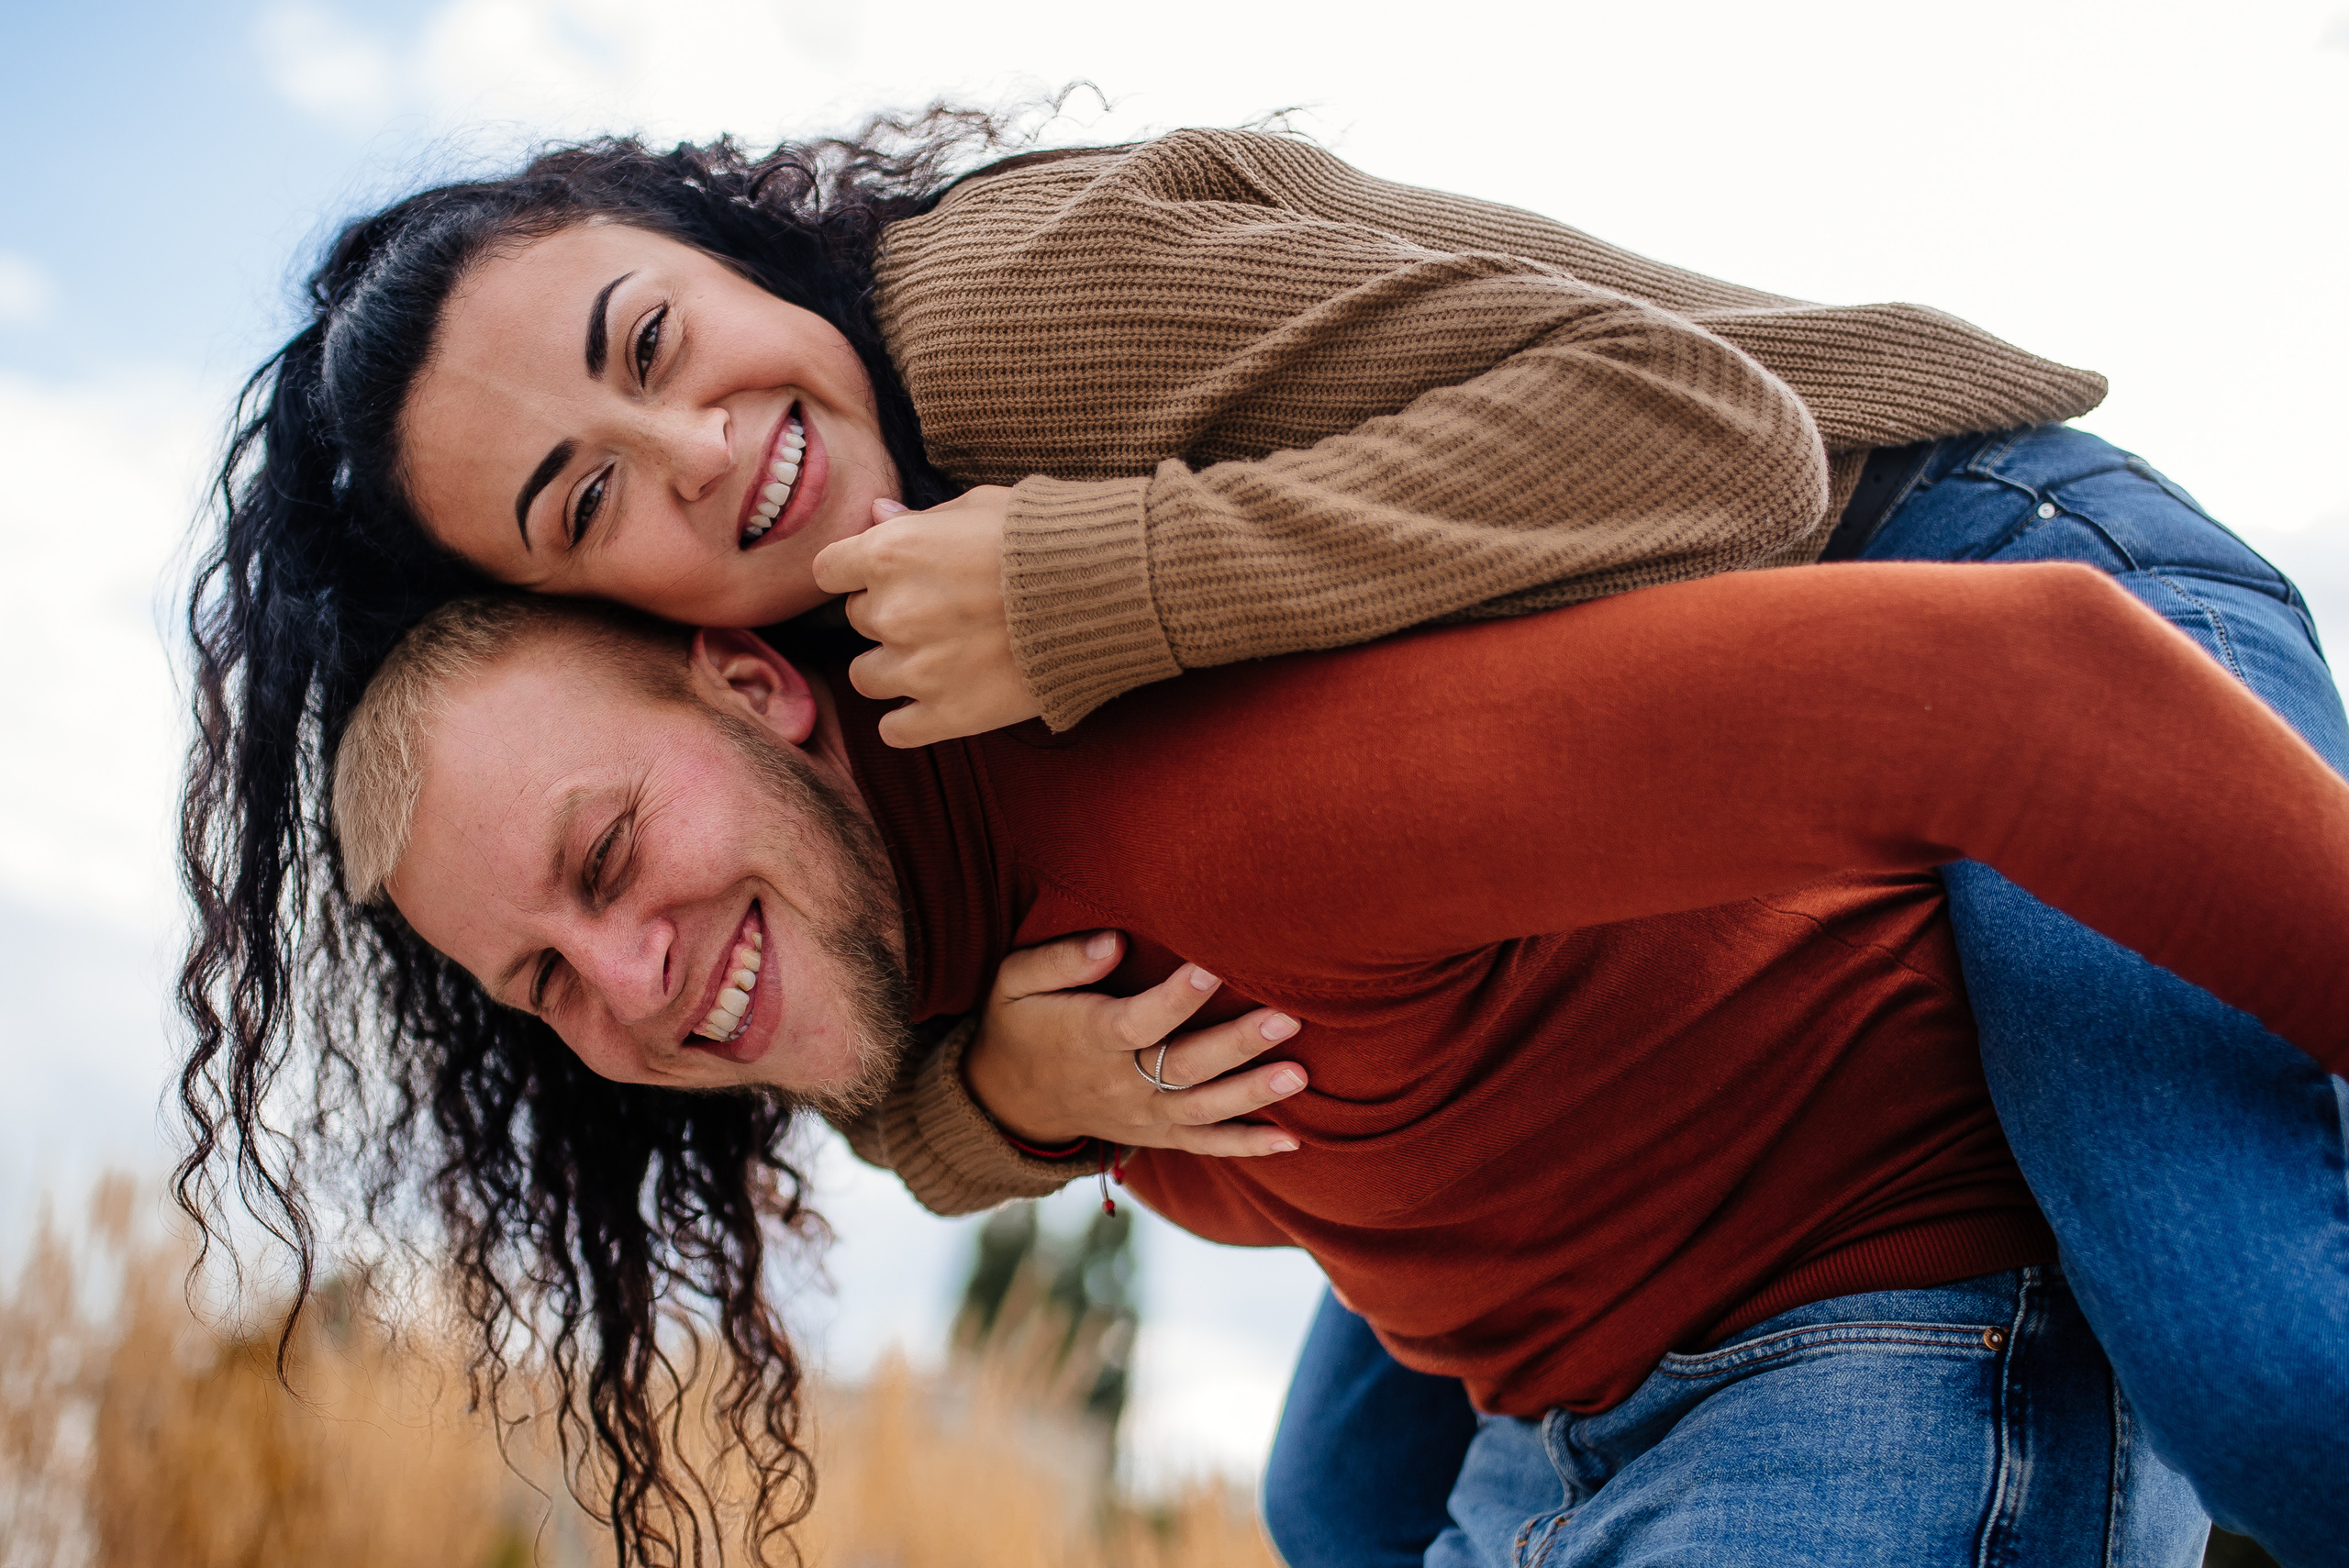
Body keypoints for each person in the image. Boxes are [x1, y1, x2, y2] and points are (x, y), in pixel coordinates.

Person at [175, 117, 2347, 1562]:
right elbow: (833, 1023)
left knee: (2275, 1388)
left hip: (1950, 527)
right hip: (1711, 739)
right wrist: (990, 1092)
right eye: (585, 504)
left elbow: (1745, 463)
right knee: (1328, 1498)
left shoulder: (1025, 328)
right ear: (653, 627)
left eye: (650, 340)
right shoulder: (862, 758)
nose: (692, 452)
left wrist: (1100, 588)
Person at [333, 570, 2349, 1567]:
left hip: (1867, 1313)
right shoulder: (921, 977)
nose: (630, 976)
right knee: (1318, 1504)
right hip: (1550, 1388)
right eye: (543, 981)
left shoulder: (1224, 813)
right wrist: (1010, 1108)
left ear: (764, 691)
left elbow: (2014, 681)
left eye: (607, 861)